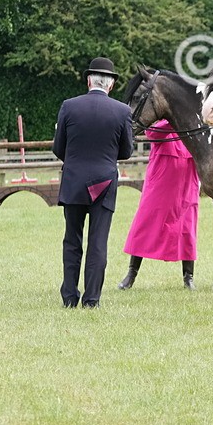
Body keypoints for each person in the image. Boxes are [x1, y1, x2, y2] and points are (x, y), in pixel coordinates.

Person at [52, 57, 135, 308]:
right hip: (104, 184)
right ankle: (91, 299)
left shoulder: (69, 106)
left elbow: (58, 148)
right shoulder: (122, 111)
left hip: (73, 181)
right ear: (111, 84)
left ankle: (69, 297)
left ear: (89, 81)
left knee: (72, 240)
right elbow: (126, 151)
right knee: (98, 243)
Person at [118, 119, 200, 290]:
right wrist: (173, 118)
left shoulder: (191, 124)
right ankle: (131, 274)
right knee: (144, 225)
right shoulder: (161, 123)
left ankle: (188, 277)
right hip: (160, 184)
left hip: (186, 184)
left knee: (187, 227)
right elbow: (151, 133)